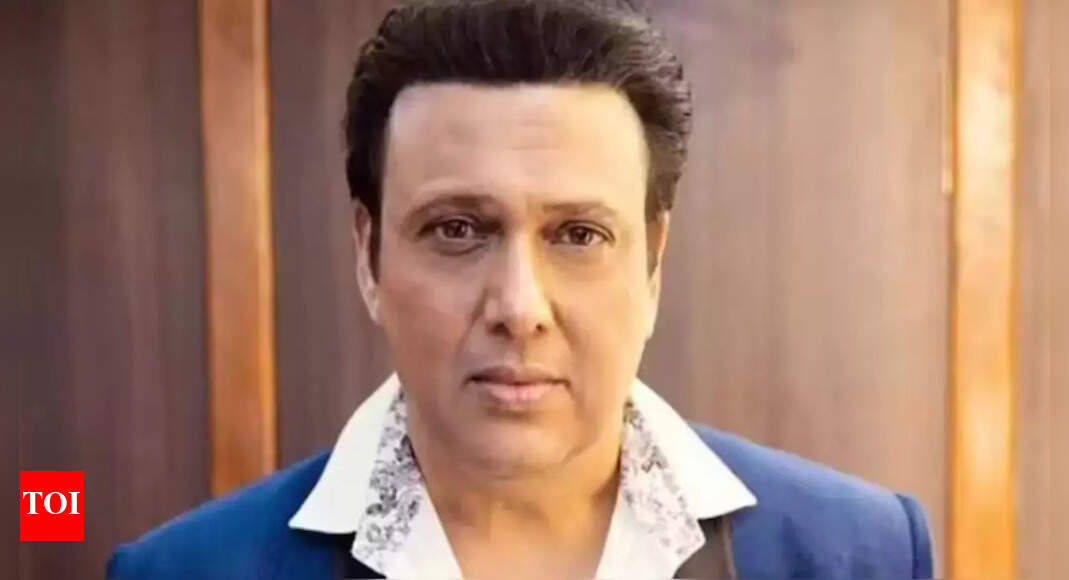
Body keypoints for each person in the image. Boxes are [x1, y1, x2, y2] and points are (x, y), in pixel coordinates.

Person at [108, 0, 933, 578]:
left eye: (578, 235)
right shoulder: (183, 571)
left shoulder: (856, 555)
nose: (519, 308)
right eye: (456, 230)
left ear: (651, 262)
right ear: (368, 254)